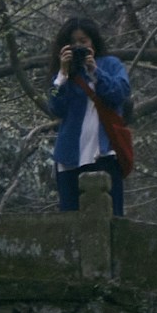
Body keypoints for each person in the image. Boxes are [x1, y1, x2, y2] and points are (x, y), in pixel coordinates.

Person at [48, 15, 132, 213]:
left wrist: (95, 70)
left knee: (112, 216)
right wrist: (62, 74)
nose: (78, 46)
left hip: (105, 154)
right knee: (71, 222)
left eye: (83, 41)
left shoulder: (111, 65)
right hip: (70, 158)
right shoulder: (61, 77)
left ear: (93, 41)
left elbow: (120, 93)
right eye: (73, 43)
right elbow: (54, 106)